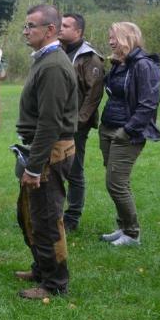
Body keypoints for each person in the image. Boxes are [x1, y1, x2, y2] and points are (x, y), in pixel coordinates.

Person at [13, 4, 78, 300]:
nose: (26, 31)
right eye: (25, 26)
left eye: (31, 26)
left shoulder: (52, 65)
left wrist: (35, 167)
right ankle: (41, 268)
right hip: (43, 150)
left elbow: (50, 122)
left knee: (48, 218)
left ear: (50, 30)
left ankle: (54, 283)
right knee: (31, 215)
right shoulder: (45, 59)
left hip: (51, 152)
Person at [98, 22, 160, 246]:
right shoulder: (120, 64)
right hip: (108, 128)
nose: (110, 41)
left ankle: (132, 234)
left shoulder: (144, 66)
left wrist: (127, 130)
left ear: (127, 38)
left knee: (115, 183)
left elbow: (148, 103)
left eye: (113, 37)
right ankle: (124, 227)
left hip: (127, 132)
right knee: (118, 182)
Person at [58, 13, 105, 232]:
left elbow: (93, 96)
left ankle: (72, 218)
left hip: (75, 125)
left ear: (78, 31)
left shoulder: (90, 58)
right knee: (54, 168)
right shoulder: (57, 51)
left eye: (66, 25)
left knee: (74, 170)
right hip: (54, 121)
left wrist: (78, 122)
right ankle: (53, 212)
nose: (61, 28)